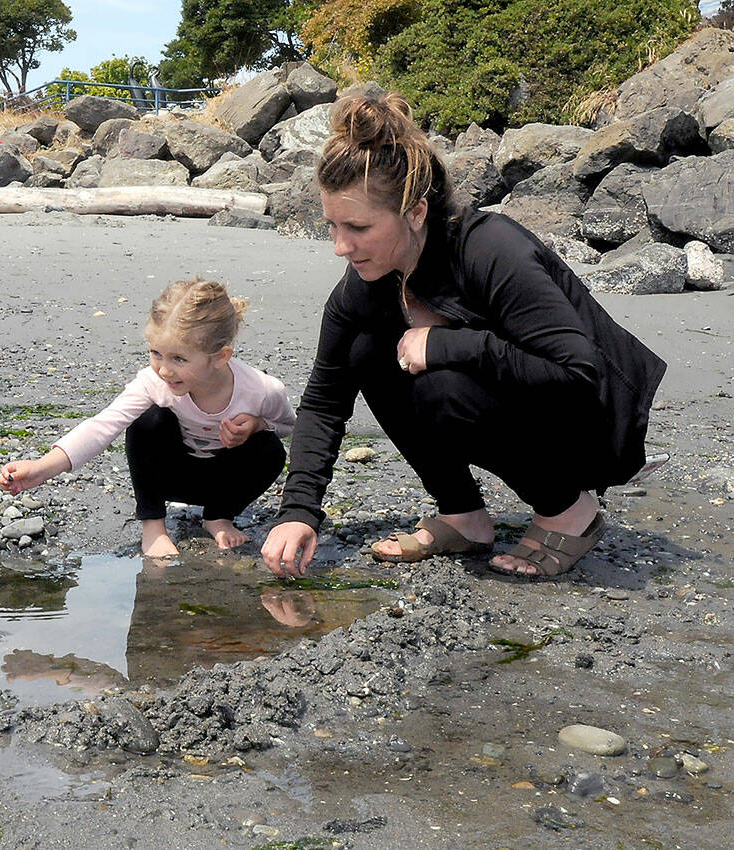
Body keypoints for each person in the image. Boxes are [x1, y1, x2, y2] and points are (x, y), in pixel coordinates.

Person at [260, 91, 666, 580]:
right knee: (368, 350)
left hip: (595, 425)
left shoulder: (491, 249)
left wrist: (453, 343)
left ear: (415, 213)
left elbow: (580, 373)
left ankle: (568, 511)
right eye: (332, 225)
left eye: (358, 227)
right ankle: (463, 514)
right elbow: (324, 402)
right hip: (526, 406)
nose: (340, 247)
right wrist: (299, 511)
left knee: (441, 382)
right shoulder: (365, 285)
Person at [0, 278, 296, 557]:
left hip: (226, 480)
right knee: (148, 420)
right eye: (156, 353)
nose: (164, 370)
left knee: (269, 448)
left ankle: (218, 516)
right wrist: (40, 469)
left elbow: (287, 426)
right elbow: (103, 425)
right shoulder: (155, 383)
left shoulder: (261, 390)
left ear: (220, 357)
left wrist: (256, 424)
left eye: (179, 358)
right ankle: (153, 526)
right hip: (171, 476)